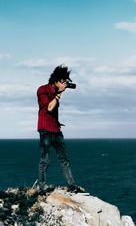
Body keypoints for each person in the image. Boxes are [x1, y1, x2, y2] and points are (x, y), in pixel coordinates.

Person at [36, 65, 84, 193]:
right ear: (56, 80)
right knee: (45, 160)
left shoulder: (56, 92)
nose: (65, 84)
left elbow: (53, 113)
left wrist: (57, 124)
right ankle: (42, 187)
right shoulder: (43, 90)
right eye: (63, 81)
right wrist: (58, 94)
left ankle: (72, 185)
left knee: (64, 159)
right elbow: (49, 108)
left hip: (55, 130)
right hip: (45, 129)